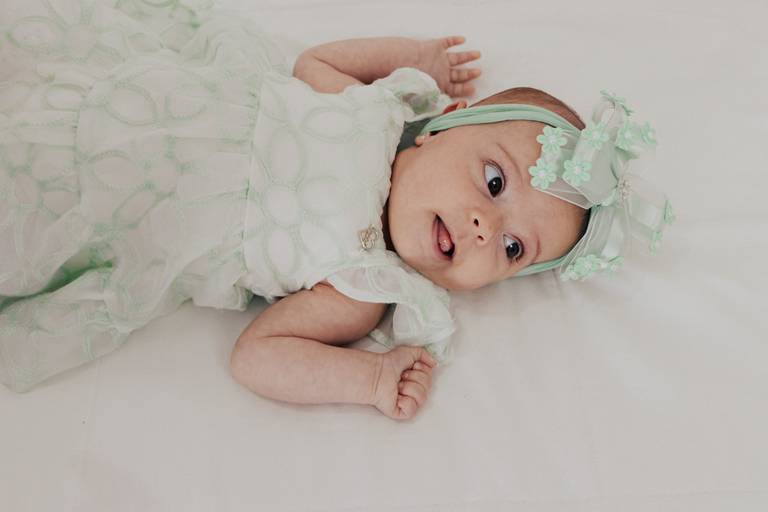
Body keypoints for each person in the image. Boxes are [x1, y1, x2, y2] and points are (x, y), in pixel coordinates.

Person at [0, 0, 672, 421]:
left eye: (513, 249)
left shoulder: (360, 285)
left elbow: (257, 356)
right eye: (493, 181)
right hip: (149, 98)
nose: (483, 227)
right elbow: (313, 59)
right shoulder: (375, 108)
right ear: (444, 126)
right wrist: (414, 56)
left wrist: (370, 378)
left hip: (128, 209)